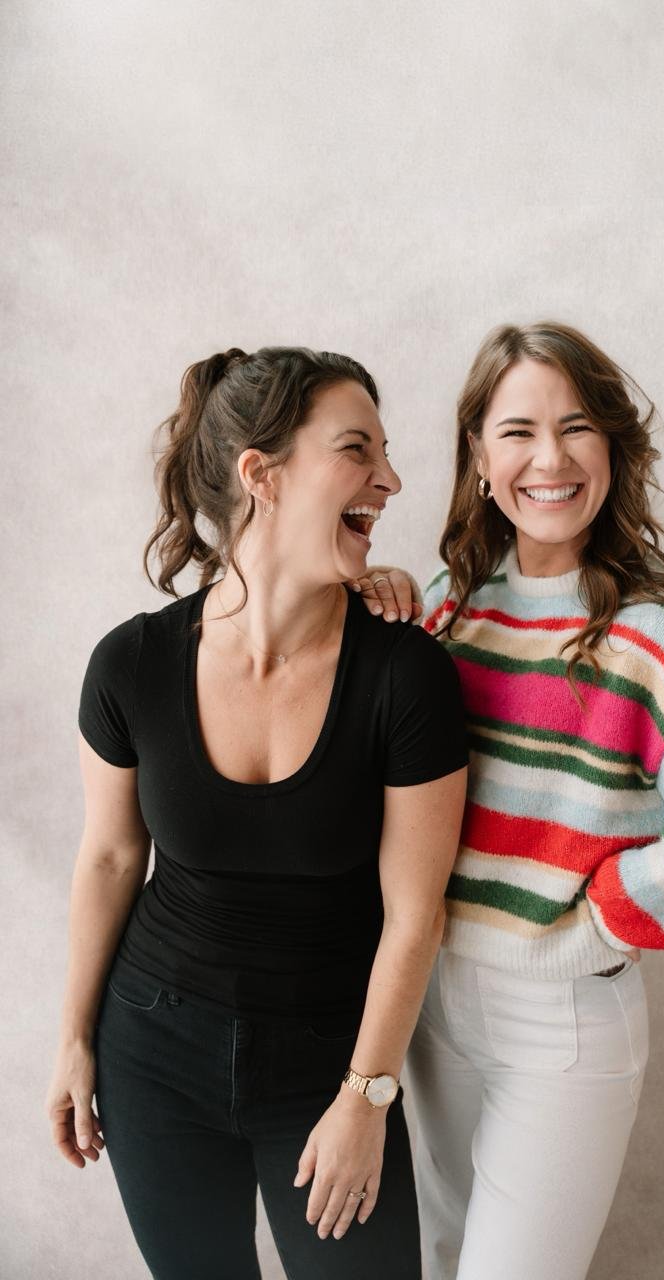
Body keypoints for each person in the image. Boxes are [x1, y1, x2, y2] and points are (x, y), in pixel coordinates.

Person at [354, 321, 664, 1280]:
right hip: (430, 1005)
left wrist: (614, 912)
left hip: (562, 1022)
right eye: (517, 431)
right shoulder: (453, 602)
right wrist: (381, 601)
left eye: (577, 427)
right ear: (478, 456)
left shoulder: (656, 627)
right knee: (440, 1257)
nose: (550, 459)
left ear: (614, 449)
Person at [45, 346, 468, 1280]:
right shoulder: (131, 665)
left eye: (386, 453)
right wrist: (73, 1038)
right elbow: (110, 858)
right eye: (357, 450)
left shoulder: (405, 675)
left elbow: (415, 915)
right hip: (150, 1050)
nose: (391, 480)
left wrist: (365, 1097)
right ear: (261, 475)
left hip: (329, 1062)